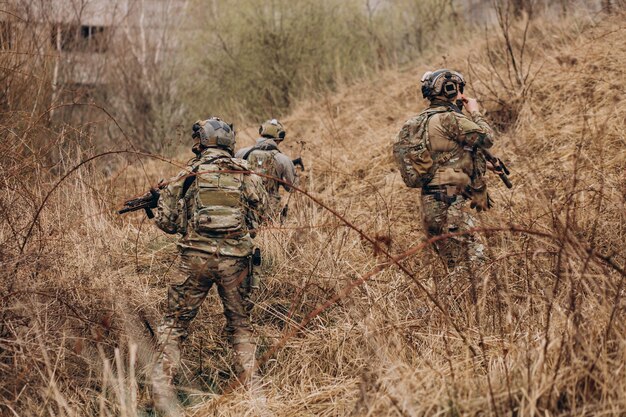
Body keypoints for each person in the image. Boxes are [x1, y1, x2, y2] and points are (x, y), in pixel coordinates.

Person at [150, 117, 267, 410]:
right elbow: (259, 218)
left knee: (174, 326)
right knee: (241, 326)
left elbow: (168, 223)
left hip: (195, 260)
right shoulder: (247, 173)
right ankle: (254, 394)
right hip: (236, 263)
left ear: (202, 142)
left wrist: (159, 207)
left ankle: (159, 396)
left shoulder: (189, 174)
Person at [393, 69, 495, 276]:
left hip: (431, 204)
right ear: (450, 89)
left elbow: (444, 157)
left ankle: (455, 305)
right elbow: (487, 138)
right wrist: (474, 111)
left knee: (456, 267)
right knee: (476, 268)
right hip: (450, 206)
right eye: (458, 90)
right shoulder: (450, 119)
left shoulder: (418, 123)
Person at [235, 119, 297, 219]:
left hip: (245, 210)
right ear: (280, 138)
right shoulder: (283, 160)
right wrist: (291, 170)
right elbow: (292, 188)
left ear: (260, 134)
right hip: (269, 213)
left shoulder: (241, 153)